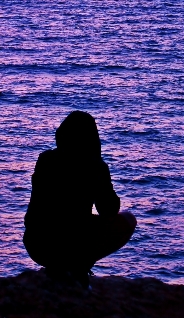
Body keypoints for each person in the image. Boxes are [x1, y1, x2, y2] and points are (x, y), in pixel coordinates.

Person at [23, 110, 136, 288]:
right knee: (128, 219)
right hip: (72, 244)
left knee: (71, 225)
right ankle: (78, 268)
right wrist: (100, 169)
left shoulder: (45, 160)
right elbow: (108, 210)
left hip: (37, 243)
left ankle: (59, 268)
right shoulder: (94, 166)